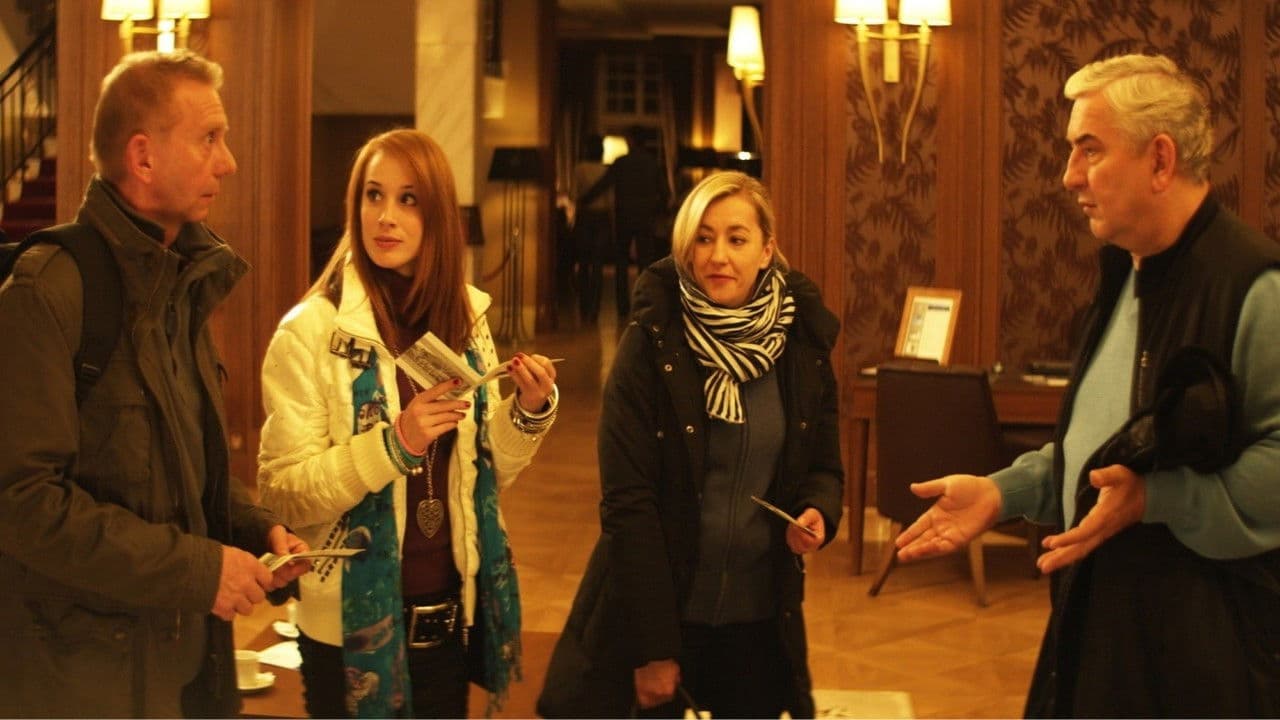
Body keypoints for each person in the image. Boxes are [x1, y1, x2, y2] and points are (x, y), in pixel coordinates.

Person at [896, 53, 1280, 717]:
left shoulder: (1257, 288)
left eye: (1090, 149)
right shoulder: (1124, 275)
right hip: (1101, 628)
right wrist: (1003, 491)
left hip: (1206, 657)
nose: (1069, 174)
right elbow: (1102, 454)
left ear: (1160, 160)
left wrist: (1157, 498)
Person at [0, 50, 310, 718]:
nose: (228, 163)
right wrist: (200, 571)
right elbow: (22, 503)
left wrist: (254, 530)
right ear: (142, 158)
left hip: (182, 665)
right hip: (80, 682)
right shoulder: (47, 292)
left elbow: (181, 467)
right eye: (209, 139)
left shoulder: (180, 281)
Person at [256, 128, 559, 718]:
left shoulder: (464, 318)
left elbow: (482, 476)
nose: (386, 217)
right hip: (349, 629)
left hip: (447, 615)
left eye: (408, 199)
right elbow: (283, 492)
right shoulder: (312, 330)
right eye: (373, 196)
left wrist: (527, 412)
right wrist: (394, 445)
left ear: (437, 215)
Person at [538, 171, 843, 718]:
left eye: (736, 238)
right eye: (703, 238)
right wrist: (654, 648)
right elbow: (628, 505)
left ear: (766, 250)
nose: (718, 255)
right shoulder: (650, 343)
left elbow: (822, 462)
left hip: (759, 618)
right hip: (665, 611)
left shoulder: (802, 344)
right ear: (686, 248)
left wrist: (818, 509)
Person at [579, 125, 667, 319]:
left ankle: (622, 307)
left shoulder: (621, 162)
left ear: (631, 141)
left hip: (624, 217)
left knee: (621, 263)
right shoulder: (652, 163)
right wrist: (655, 211)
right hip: (645, 218)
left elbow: (603, 185)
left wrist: (584, 200)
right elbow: (665, 193)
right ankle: (643, 305)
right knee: (645, 264)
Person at [572, 135, 613, 324]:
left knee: (583, 263)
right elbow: (610, 200)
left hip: (585, 216)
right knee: (597, 265)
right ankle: (595, 309)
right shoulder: (607, 171)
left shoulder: (579, 169)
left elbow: (574, 194)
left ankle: (583, 306)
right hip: (602, 217)